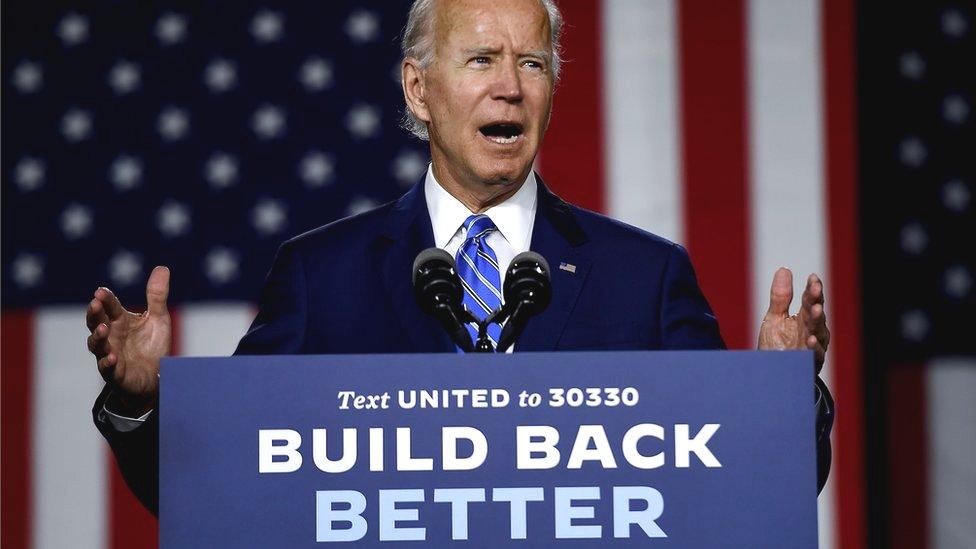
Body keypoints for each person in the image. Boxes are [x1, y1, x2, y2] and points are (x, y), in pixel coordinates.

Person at [86, 0, 833, 516]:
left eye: (533, 64)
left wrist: (781, 399)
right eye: (481, 59)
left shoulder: (645, 276)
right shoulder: (323, 277)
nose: (509, 86)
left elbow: (740, 483)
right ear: (419, 89)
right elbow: (219, 484)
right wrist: (141, 403)